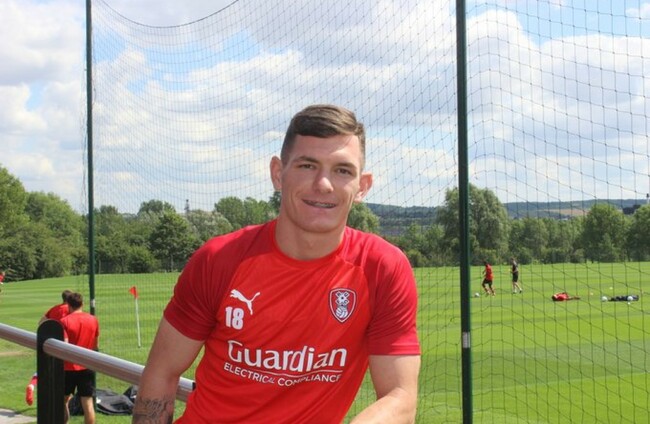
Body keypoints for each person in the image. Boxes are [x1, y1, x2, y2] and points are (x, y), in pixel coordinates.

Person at [133, 104, 421, 423]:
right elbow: (162, 372)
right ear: (277, 173)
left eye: (342, 170)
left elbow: (400, 396)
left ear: (362, 186)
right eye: (307, 165)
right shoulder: (220, 259)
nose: (323, 184)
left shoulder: (382, 268)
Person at [26, 289, 74, 406]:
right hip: (64, 342)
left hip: (50, 342)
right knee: (64, 371)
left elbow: (41, 322)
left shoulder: (54, 308)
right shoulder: (70, 310)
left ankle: (32, 384)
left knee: (45, 367)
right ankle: (61, 400)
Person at [60, 292, 99, 424]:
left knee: (62, 401)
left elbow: (64, 345)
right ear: (82, 304)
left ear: (68, 305)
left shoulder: (64, 321)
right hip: (87, 365)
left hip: (68, 367)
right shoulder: (93, 319)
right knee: (88, 403)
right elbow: (95, 345)